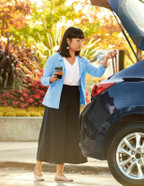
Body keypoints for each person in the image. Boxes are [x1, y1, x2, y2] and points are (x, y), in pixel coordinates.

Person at [34, 26, 117, 182]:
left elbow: (98, 73)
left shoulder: (82, 61)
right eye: (77, 40)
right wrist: (50, 79)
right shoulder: (55, 58)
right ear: (68, 40)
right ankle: (38, 168)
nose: (80, 44)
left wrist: (106, 59)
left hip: (73, 99)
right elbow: (43, 79)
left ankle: (59, 173)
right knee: (50, 135)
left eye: (82, 41)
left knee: (68, 135)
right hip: (56, 100)